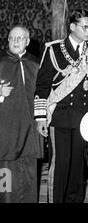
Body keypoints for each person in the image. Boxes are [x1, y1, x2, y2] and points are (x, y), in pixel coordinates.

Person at [34, 9, 88, 203]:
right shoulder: (54, 50)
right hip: (60, 117)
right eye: (85, 27)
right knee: (60, 166)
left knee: (78, 169)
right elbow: (42, 86)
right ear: (72, 27)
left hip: (83, 119)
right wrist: (40, 117)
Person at [0, 25, 42, 203]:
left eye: (20, 38)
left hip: (29, 129)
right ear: (7, 40)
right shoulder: (1, 62)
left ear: (27, 41)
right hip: (6, 130)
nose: (16, 41)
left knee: (29, 172)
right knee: (6, 175)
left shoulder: (35, 63)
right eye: (12, 38)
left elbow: (43, 93)